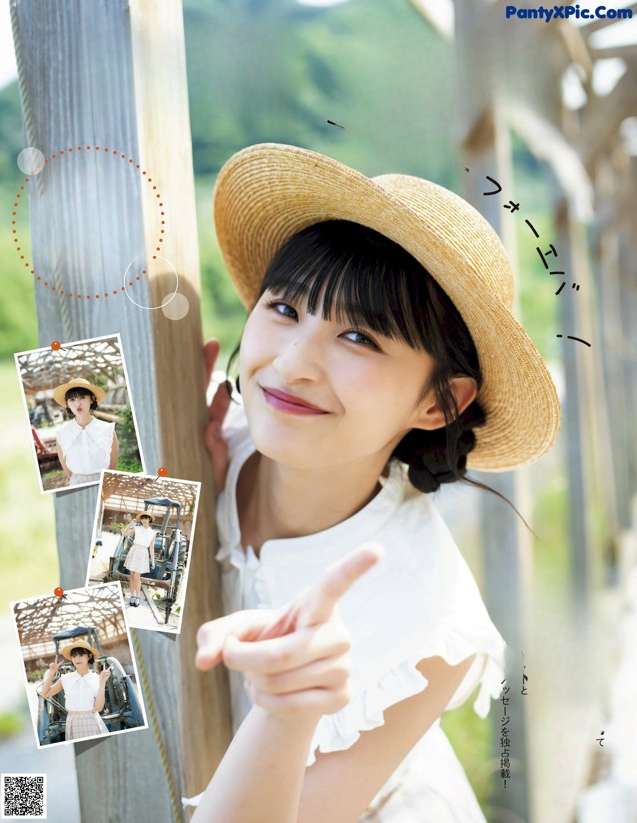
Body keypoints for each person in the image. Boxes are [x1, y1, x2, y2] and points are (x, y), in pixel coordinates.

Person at [193, 144, 561, 822]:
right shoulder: (209, 440)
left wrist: (286, 711)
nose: (294, 364)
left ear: (436, 401)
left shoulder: (428, 616)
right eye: (286, 309)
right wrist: (182, 490)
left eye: (360, 337)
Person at [52, 377, 118, 486]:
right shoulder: (62, 433)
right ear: (67, 403)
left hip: (105, 482)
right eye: (72, 400)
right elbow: (65, 466)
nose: (77, 404)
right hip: (77, 483)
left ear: (92, 399)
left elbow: (113, 465)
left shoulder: (107, 429)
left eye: (82, 397)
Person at [40, 641, 110, 741]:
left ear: (89, 656)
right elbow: (44, 693)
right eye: (74, 656)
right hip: (73, 722)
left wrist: (103, 683)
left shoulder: (97, 678)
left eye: (81, 655)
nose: (77, 659)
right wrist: (51, 673)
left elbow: (98, 708)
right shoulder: (65, 678)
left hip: (92, 721)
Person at [122, 513, 156, 607]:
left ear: (149, 519)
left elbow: (152, 548)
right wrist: (131, 524)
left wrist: (153, 561)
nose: (144, 520)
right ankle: (132, 596)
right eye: (142, 518)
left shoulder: (153, 533)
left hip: (143, 552)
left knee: (137, 576)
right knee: (132, 576)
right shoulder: (136, 528)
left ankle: (137, 596)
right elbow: (124, 533)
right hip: (134, 550)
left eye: (146, 518)